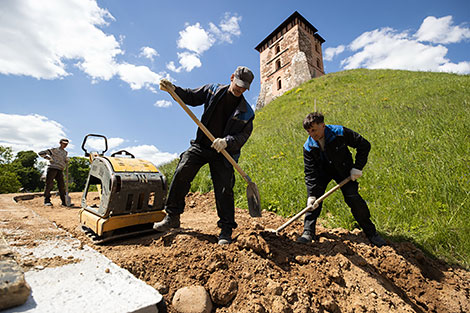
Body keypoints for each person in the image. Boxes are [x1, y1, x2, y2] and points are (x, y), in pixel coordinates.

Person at [154, 66, 255, 245]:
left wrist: (227, 141)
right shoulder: (212, 90)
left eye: (244, 88)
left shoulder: (247, 111)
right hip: (202, 145)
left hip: (224, 153)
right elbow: (191, 96)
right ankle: (172, 216)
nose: (240, 89)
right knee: (182, 170)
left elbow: (243, 136)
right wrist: (173, 90)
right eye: (238, 84)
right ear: (232, 77)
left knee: (224, 189)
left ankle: (226, 229)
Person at [298, 112, 386, 247]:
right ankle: (308, 232)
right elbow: (310, 173)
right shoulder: (308, 146)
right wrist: (311, 194)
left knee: (353, 198)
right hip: (322, 173)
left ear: (323, 125)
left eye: (314, 130)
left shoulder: (339, 132)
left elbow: (364, 145)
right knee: (314, 202)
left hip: (343, 170)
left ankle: (371, 233)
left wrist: (357, 168)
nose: (312, 134)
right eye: (309, 131)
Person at [38, 138, 69, 206]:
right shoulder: (54, 150)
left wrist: (66, 160)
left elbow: (64, 160)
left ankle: (64, 201)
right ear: (60, 143)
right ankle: (47, 200)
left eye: (66, 144)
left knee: (61, 186)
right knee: (49, 184)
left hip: (60, 169)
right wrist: (49, 158)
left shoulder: (65, 152)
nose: (65, 145)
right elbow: (41, 153)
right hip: (52, 168)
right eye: (64, 143)